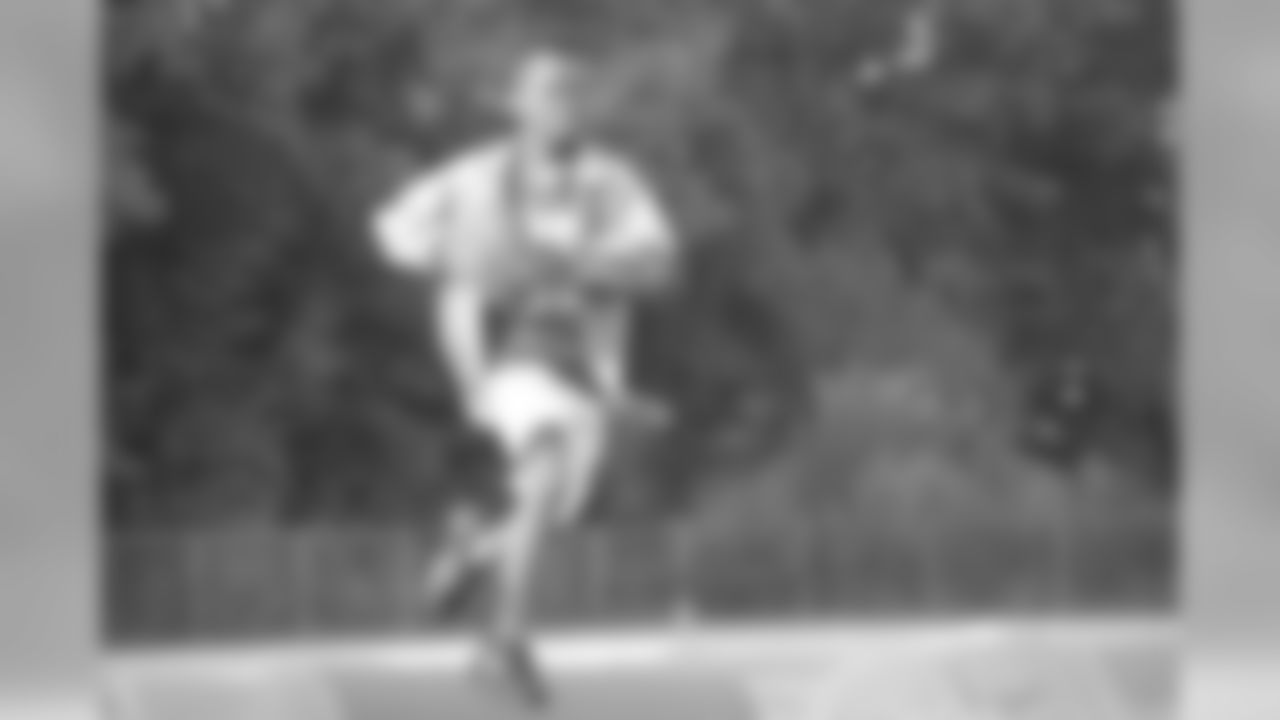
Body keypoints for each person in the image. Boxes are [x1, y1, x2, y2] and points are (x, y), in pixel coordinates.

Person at [371, 45, 678, 705]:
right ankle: (505, 643)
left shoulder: (610, 181)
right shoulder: (476, 177)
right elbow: (393, 229)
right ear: (517, 104)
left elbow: (658, 261)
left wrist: (593, 267)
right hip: (509, 357)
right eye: (548, 93)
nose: (563, 106)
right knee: (543, 466)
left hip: (586, 375)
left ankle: (470, 554)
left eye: (573, 93)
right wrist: (453, 254)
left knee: (544, 513)